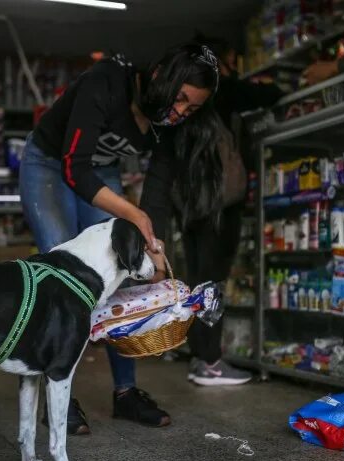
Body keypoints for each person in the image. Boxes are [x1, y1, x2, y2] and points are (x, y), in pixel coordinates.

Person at [19, 45, 222, 434]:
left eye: (191, 109)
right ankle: (58, 391)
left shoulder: (169, 123)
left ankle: (126, 393)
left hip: (102, 170)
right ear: (160, 73)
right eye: (180, 98)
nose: (180, 112)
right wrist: (132, 215)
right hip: (49, 163)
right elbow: (74, 168)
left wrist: (151, 246)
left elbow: (155, 196)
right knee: (62, 275)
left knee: (125, 266)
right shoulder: (105, 84)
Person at [153, 34, 283, 386]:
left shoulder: (182, 101)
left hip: (191, 205)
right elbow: (270, 94)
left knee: (198, 278)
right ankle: (210, 361)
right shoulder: (217, 88)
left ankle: (200, 357)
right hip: (218, 202)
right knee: (213, 280)